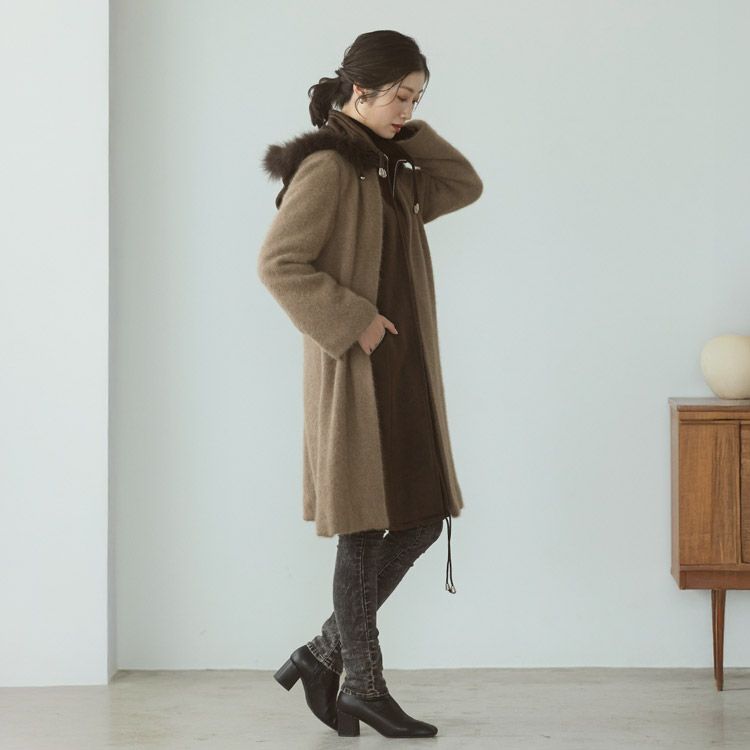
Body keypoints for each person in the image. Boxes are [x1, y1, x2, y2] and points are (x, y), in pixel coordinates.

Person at [259, 29, 483, 738]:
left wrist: (406, 132)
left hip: (402, 373)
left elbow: (463, 184)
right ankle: (363, 683)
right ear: (360, 91)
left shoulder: (390, 169)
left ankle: (322, 656)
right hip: (359, 374)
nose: (409, 110)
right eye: (400, 97)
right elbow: (279, 264)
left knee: (422, 517)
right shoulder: (329, 165)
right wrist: (353, 321)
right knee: (362, 531)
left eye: (417, 99)